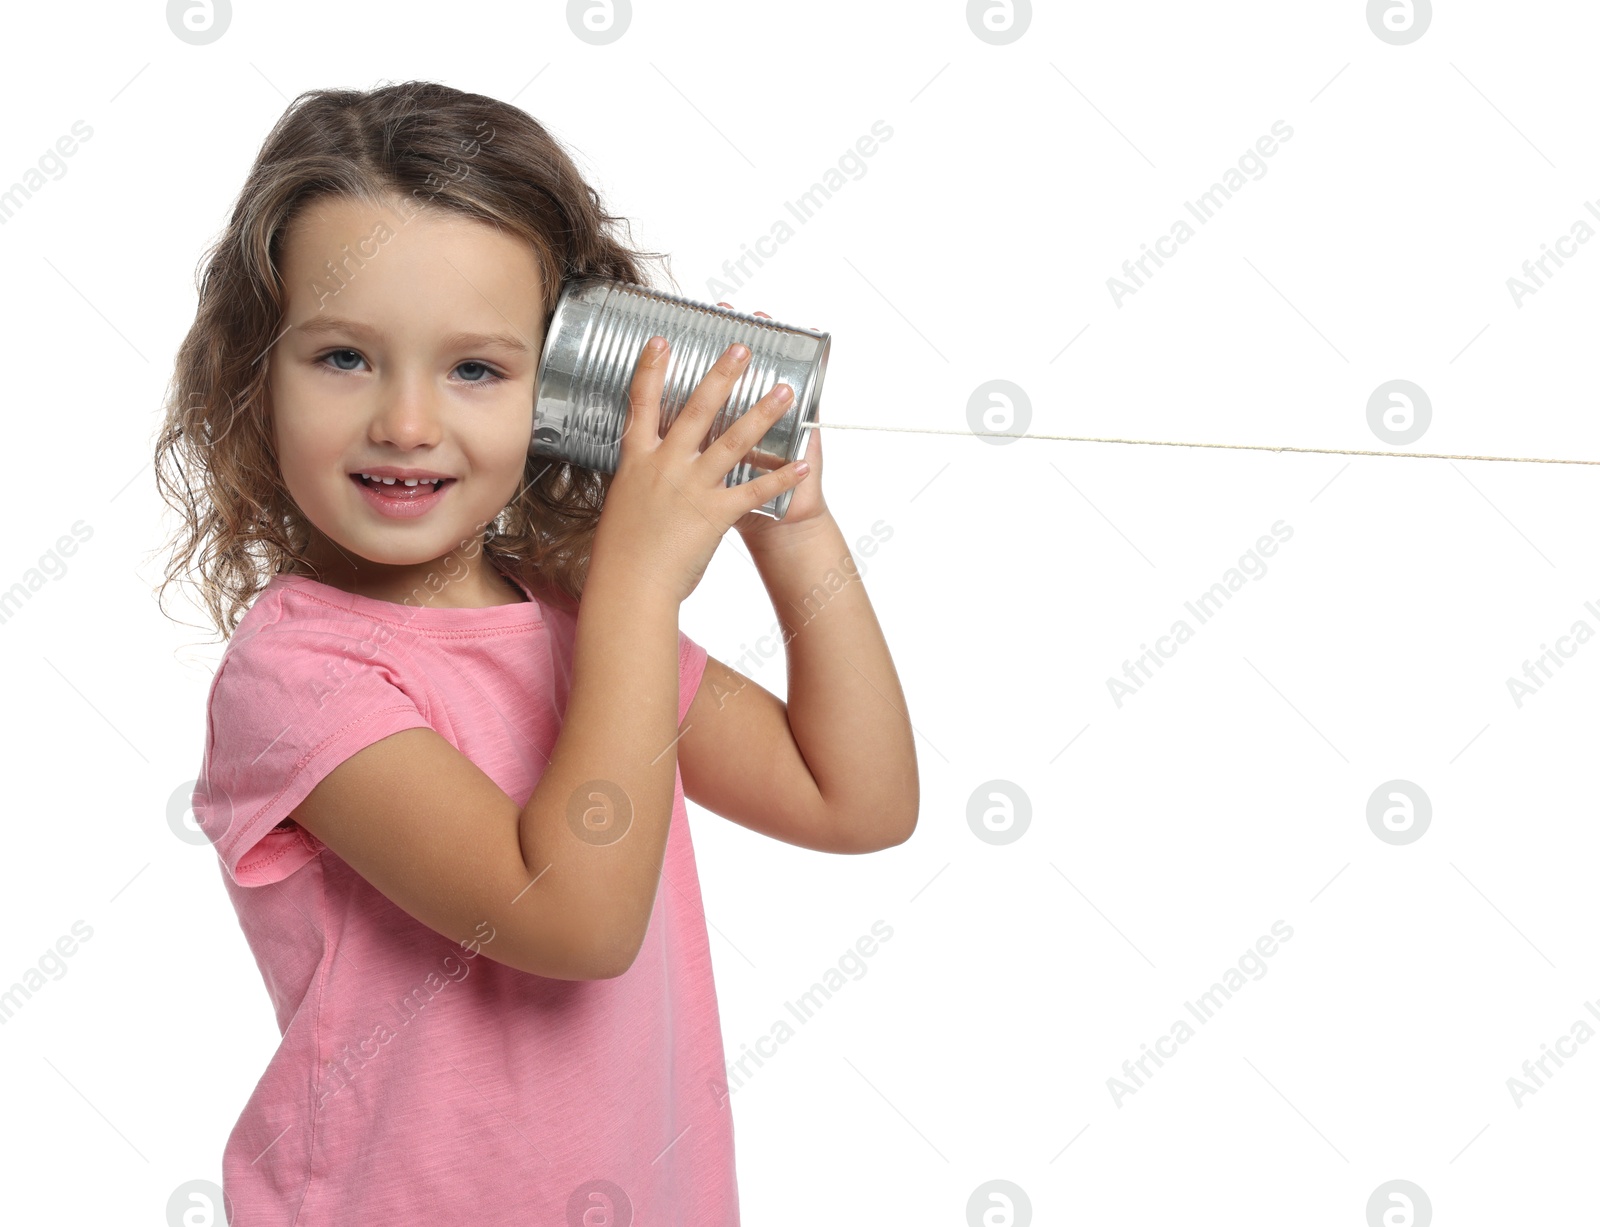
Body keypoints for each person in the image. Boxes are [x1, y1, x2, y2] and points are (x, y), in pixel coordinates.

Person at [153, 80, 919, 1225]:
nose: (406, 422)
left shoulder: (572, 621)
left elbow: (853, 799)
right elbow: (575, 923)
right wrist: (639, 586)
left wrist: (790, 522)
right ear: (253, 377)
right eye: (344, 358)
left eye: (475, 369)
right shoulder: (302, 680)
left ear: (565, 394)